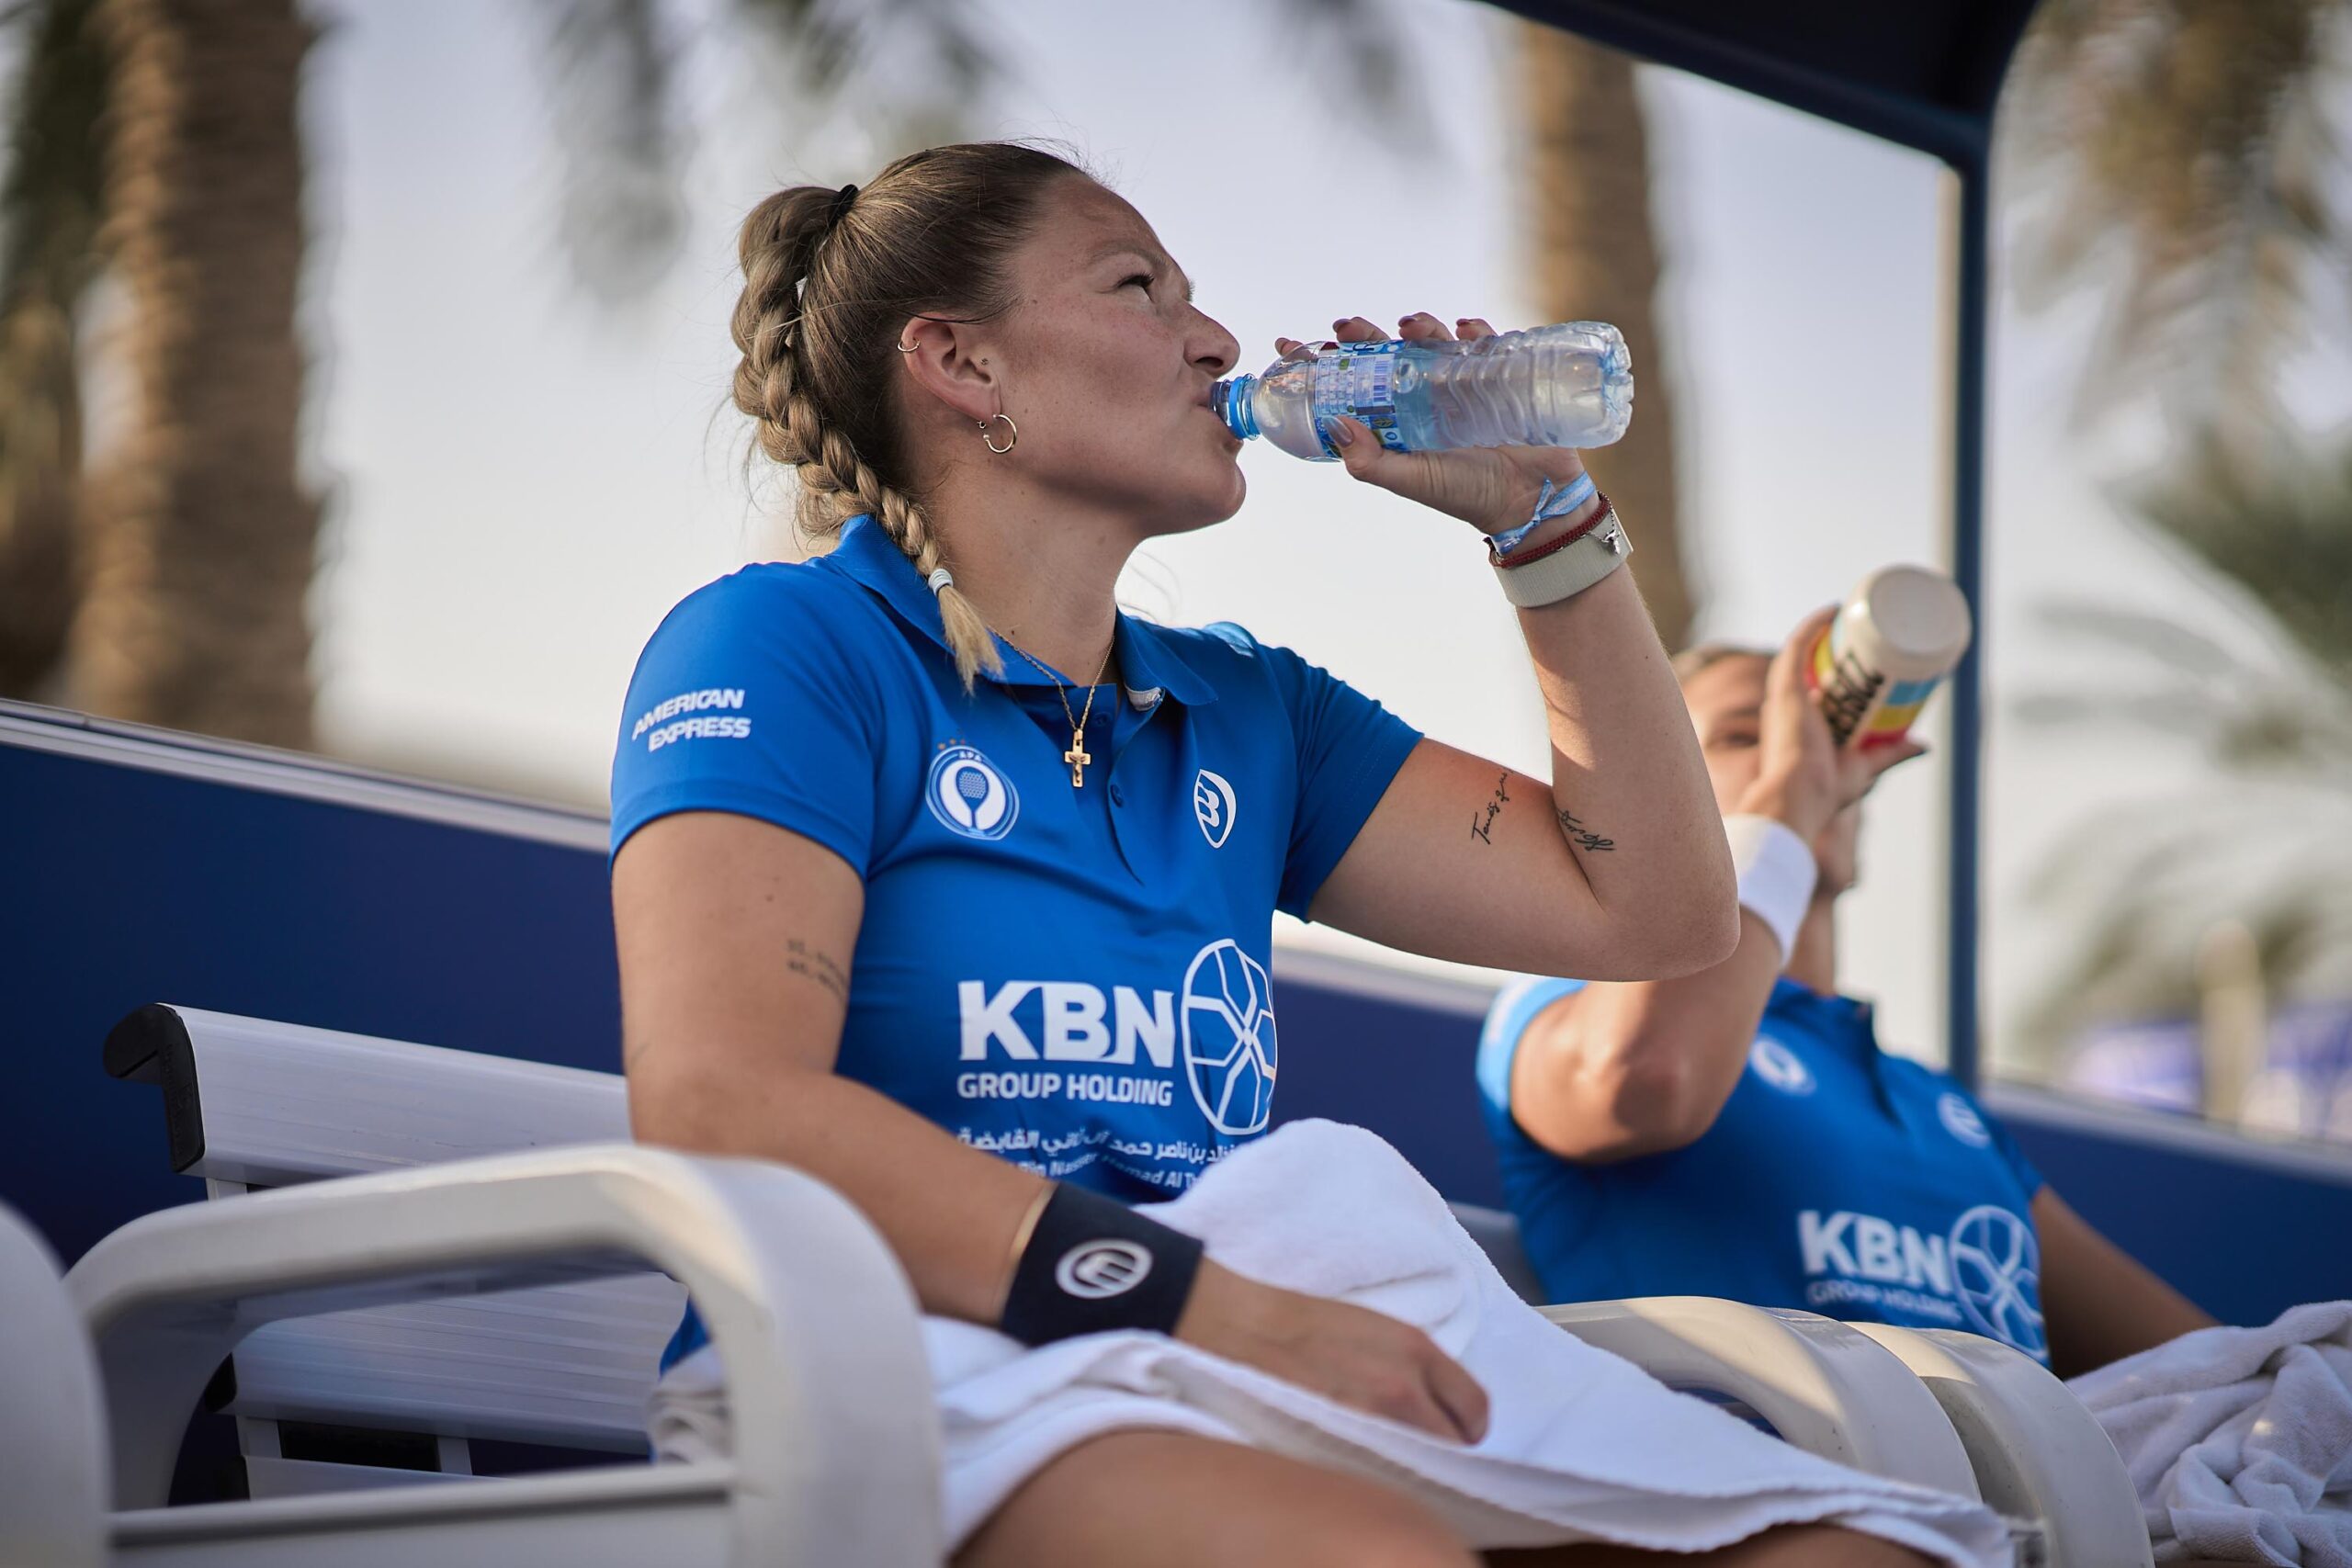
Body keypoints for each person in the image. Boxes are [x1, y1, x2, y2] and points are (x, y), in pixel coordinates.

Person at [607, 140, 1960, 1568]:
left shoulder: (1252, 710)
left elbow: (1661, 913)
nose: (1216, 339)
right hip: (902, 1366)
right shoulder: (785, 645)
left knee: (1868, 1558)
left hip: (1226, 1357)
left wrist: (1547, 522)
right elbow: (722, 1101)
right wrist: (1216, 1308)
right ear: (962, 363)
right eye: (1139, 288)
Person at [1477, 616, 2217, 1378]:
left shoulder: (1934, 1102)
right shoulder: (1572, 1004)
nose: (1803, 757)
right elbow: (1643, 1076)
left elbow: (2213, 1370)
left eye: (1826, 739)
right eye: (1746, 735)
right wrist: (1788, 802)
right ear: (1639, 806)